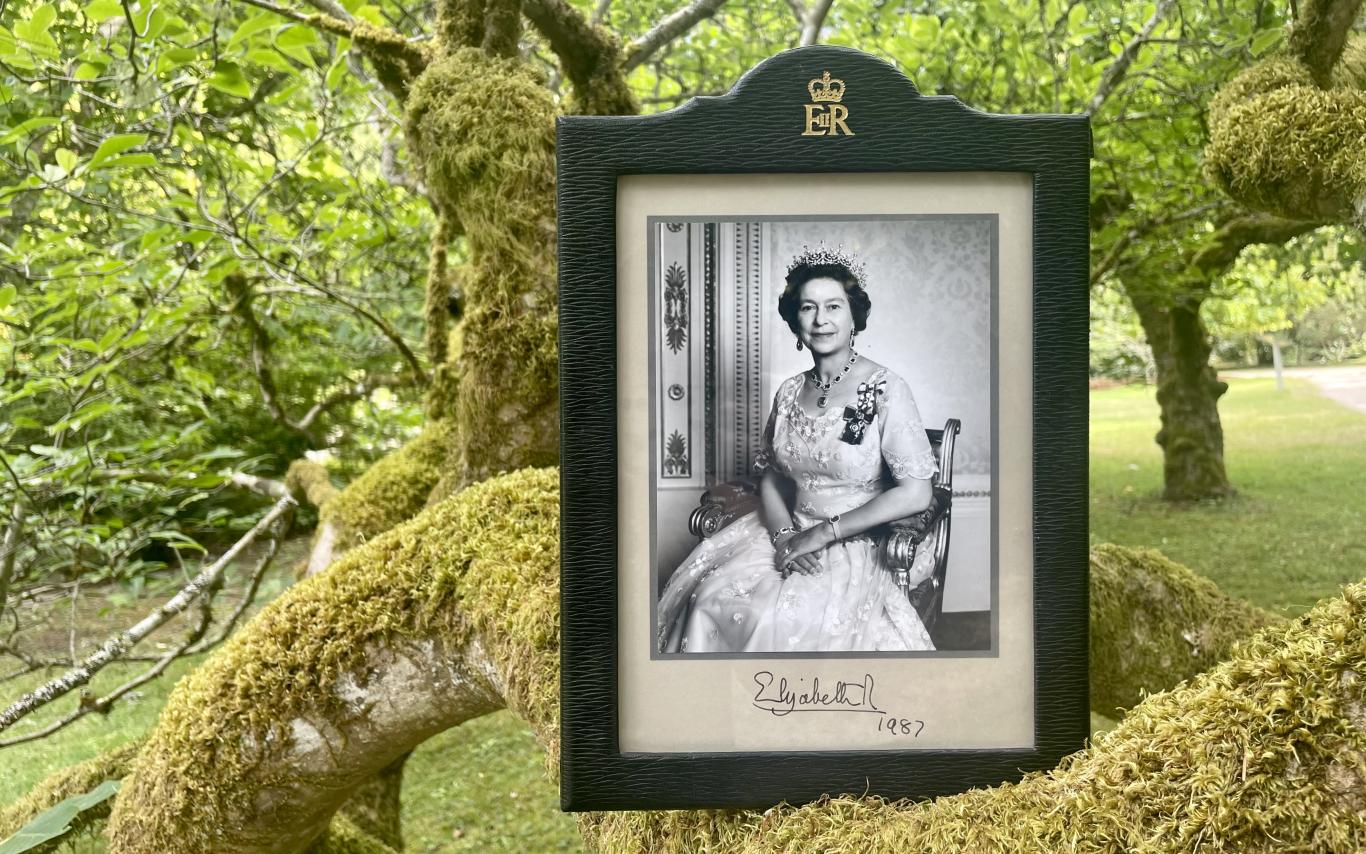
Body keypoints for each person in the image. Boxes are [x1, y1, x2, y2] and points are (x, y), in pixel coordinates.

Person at [657, 246, 940, 653]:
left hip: (855, 541)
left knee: (784, 620)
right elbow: (771, 479)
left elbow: (917, 492)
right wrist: (786, 536)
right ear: (795, 321)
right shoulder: (789, 391)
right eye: (808, 308)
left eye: (834, 307)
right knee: (709, 600)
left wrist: (824, 534)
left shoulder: (886, 389)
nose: (821, 320)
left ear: (853, 317)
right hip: (786, 529)